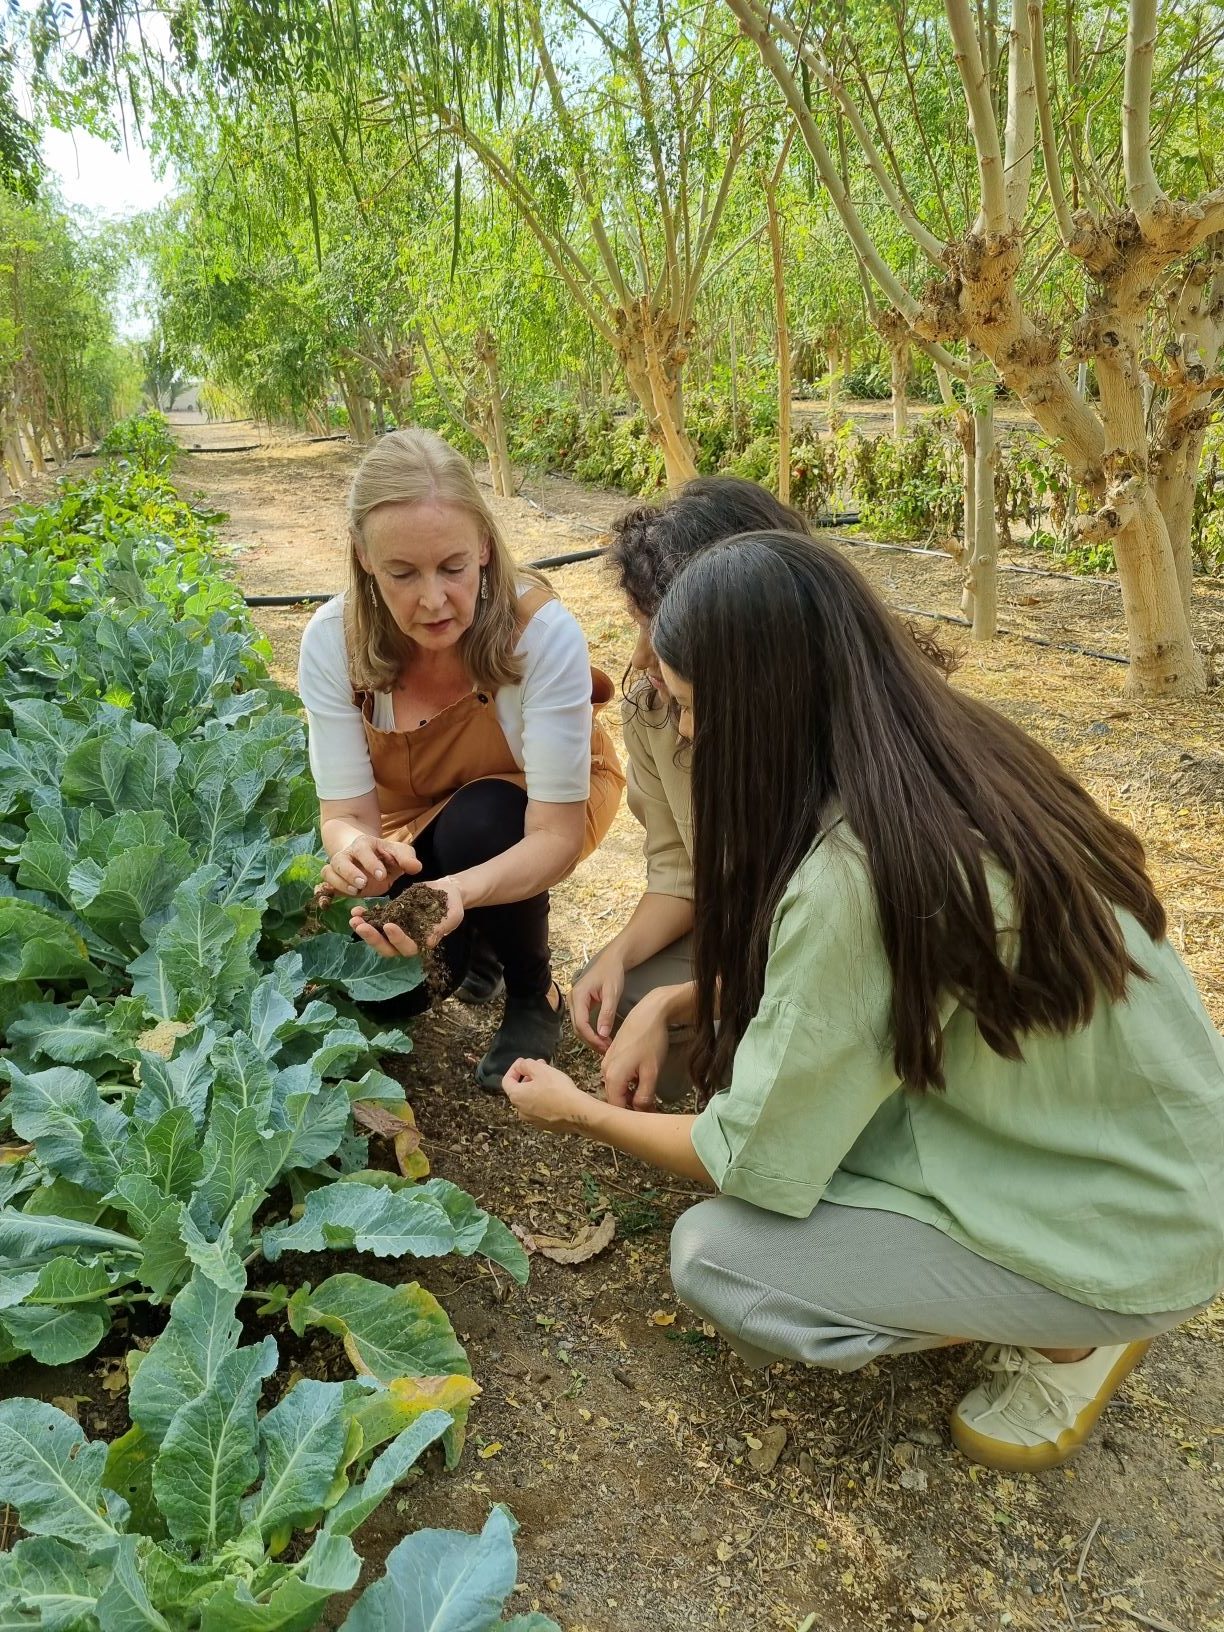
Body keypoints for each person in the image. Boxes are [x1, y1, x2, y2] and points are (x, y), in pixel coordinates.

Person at [502, 531, 1224, 1472]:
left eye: (687, 707)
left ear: (762, 704)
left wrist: (579, 1115)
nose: (680, 735)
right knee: (754, 1079)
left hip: (1130, 1231)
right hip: (1155, 1161)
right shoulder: (948, 753)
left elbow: (743, 1162)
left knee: (726, 1261)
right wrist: (678, 1003)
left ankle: (1068, 1335)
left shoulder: (856, 875)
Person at [297, 427, 624, 1088]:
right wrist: (356, 851)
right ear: (362, 557)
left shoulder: (540, 636)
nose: (434, 599)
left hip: (536, 806)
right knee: (392, 996)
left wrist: (456, 892)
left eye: (452, 567)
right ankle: (477, 944)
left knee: (485, 820)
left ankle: (535, 994)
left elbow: (553, 837)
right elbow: (347, 813)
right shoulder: (332, 641)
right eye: (402, 573)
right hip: (415, 817)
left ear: (483, 544)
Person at [570, 477, 811, 1108]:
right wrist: (620, 954)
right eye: (638, 623)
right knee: (617, 998)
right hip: (748, 939)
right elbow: (680, 869)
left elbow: (824, 944)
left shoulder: (808, 733)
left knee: (765, 1053)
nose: (645, 655)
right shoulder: (654, 707)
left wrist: (683, 999)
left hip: (810, 954)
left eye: (660, 627)